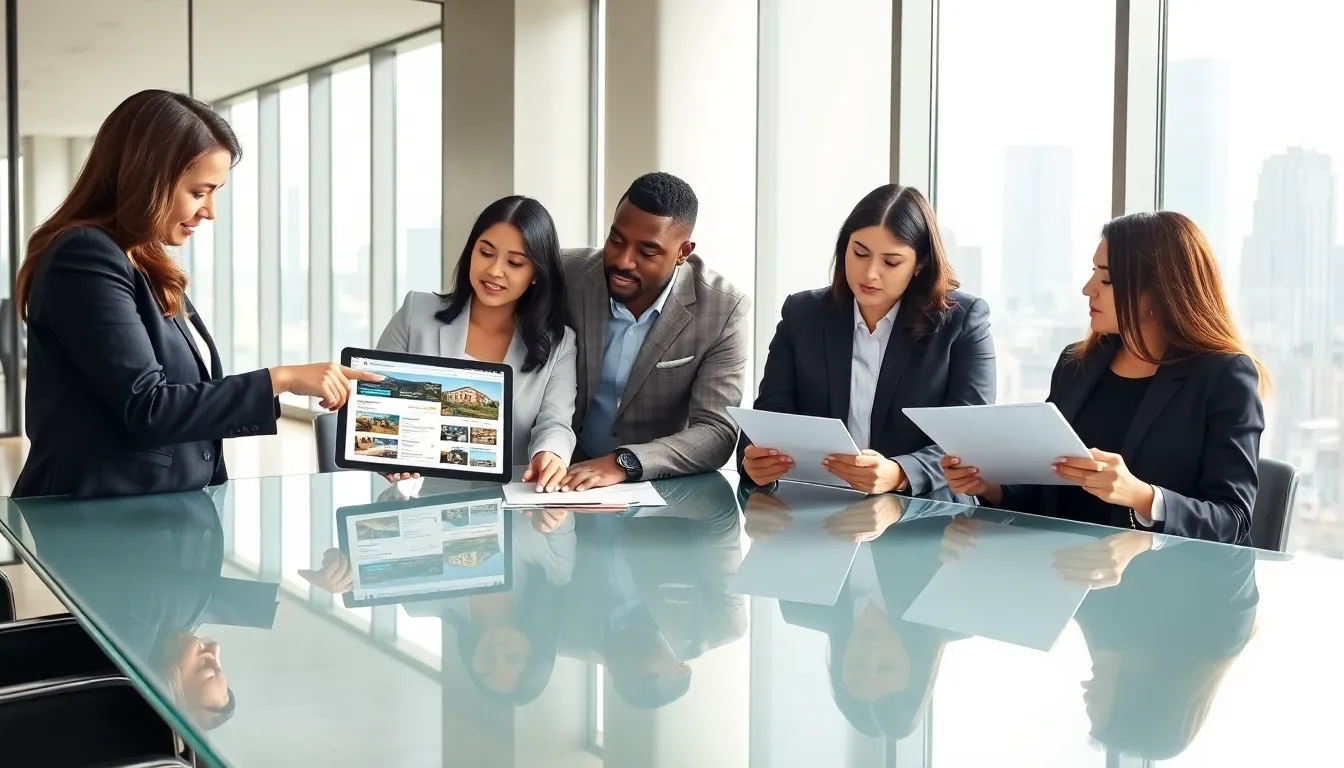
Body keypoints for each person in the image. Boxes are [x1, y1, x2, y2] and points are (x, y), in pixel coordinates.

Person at [12, 90, 377, 499]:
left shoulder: (142, 259)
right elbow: (149, 407)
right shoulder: (84, 254)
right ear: (146, 179)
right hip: (98, 523)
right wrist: (283, 379)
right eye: (200, 192)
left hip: (157, 515)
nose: (210, 211)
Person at [940, 211, 1266, 544]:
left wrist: (1143, 497)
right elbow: (1048, 492)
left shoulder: (1224, 376)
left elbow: (1233, 520)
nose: (1087, 289)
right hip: (1065, 572)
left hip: (1164, 582)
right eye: (1093, 272)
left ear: (1162, 291)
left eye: (1106, 280)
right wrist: (992, 487)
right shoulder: (1075, 364)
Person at [740, 184, 995, 498]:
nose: (870, 273)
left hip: (927, 516)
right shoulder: (803, 314)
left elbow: (969, 439)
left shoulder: (962, 320)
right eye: (859, 253)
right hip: (818, 511)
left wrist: (900, 473)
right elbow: (768, 417)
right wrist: (755, 461)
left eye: (890, 262)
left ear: (920, 265)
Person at [558, 172, 750, 491]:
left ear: (683, 252)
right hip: (558, 480)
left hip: (656, 493)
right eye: (616, 240)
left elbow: (717, 431)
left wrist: (624, 462)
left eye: (647, 252)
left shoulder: (721, 310)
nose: (623, 261)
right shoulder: (566, 274)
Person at [375, 195, 577, 490]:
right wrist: (383, 449)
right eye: (486, 253)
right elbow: (376, 399)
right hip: (418, 499)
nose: (495, 271)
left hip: (512, 511)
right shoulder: (415, 313)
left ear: (535, 274)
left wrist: (551, 454)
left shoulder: (559, 343)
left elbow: (555, 423)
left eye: (514, 262)